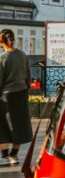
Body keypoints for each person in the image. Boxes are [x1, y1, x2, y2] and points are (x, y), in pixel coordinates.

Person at [0, 29, 33, 167]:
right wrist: (26, 90)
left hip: (6, 96)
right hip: (21, 92)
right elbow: (28, 77)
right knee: (19, 124)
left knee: (3, 126)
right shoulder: (23, 55)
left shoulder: (3, 58)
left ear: (2, 41)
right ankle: (14, 155)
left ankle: (5, 156)